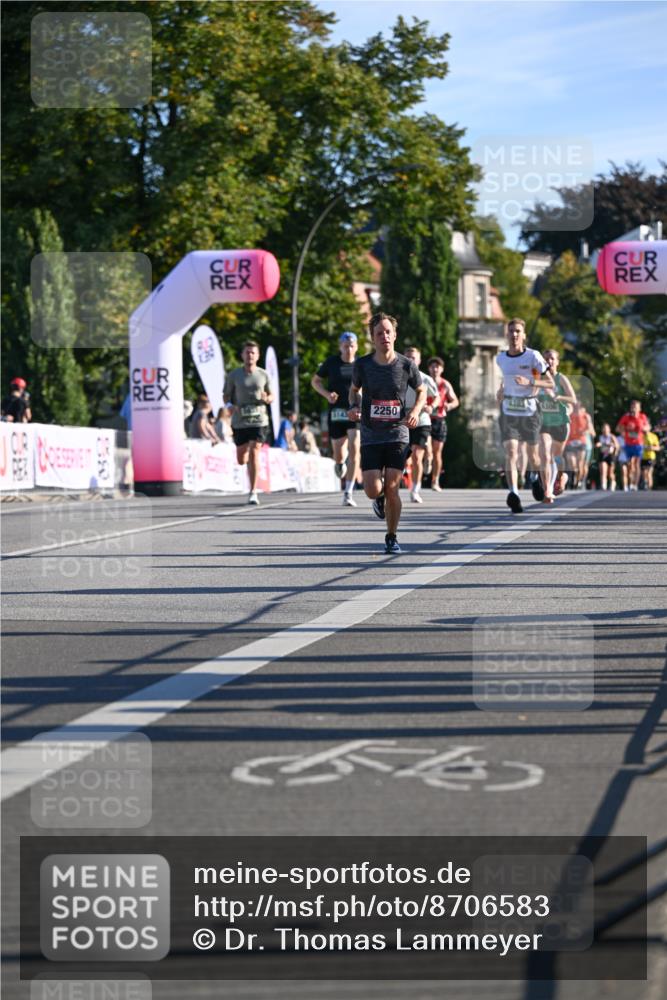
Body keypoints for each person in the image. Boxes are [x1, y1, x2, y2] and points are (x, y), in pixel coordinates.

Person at [347, 313, 425, 554]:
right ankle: (378, 499)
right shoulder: (363, 364)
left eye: (388, 332)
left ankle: (391, 536)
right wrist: (353, 406)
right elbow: (353, 391)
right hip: (371, 433)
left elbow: (422, 391)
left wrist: (415, 411)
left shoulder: (406, 365)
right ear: (372, 338)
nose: (385, 336)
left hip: (397, 433)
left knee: (393, 485)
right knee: (372, 489)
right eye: (379, 333)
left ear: (395, 335)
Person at [495, 317, 554, 513]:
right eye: (511, 331)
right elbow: (504, 381)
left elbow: (550, 383)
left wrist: (529, 383)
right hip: (508, 410)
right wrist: (501, 391)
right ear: (507, 334)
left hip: (530, 410)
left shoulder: (533, 356)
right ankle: (514, 493)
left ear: (523, 335)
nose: (514, 335)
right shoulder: (500, 358)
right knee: (511, 451)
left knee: (533, 456)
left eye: (518, 331)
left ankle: (536, 477)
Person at [312, 332, 360, 507]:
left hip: (355, 411)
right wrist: (326, 394)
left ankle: (348, 492)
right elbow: (315, 381)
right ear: (340, 347)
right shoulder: (331, 363)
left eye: (352, 346)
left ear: (357, 347)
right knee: (339, 453)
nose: (349, 349)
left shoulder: (361, 364)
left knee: (355, 448)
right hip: (337, 412)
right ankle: (340, 463)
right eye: (346, 346)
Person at [223, 340, 273, 505]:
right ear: (242, 355)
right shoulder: (233, 375)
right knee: (241, 458)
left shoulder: (264, 375)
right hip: (240, 421)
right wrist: (230, 406)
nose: (250, 355)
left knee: (254, 452)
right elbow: (226, 396)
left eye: (253, 352)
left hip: (259, 420)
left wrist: (267, 398)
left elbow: (272, 396)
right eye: (247, 352)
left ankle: (253, 491)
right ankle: (245, 465)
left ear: (257, 356)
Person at [536, 349, 576, 499]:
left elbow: (573, 399)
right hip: (543, 422)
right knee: (546, 454)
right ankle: (548, 490)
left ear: (557, 362)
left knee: (557, 457)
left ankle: (562, 477)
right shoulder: (538, 379)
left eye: (552, 359)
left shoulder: (561, 379)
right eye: (546, 359)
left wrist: (557, 397)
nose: (549, 362)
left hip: (560, 422)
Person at [403, 346, 438, 504]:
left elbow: (436, 397)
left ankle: (415, 489)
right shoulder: (397, 377)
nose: (411, 360)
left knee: (417, 456)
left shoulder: (425, 378)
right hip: (402, 420)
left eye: (414, 358)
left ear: (419, 360)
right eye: (408, 357)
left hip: (422, 420)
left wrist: (431, 407)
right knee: (401, 456)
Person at [427, 357, 459, 491]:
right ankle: (427, 459)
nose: (435, 369)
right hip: (426, 420)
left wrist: (448, 405)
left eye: (437, 367)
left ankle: (435, 481)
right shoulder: (424, 382)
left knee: (437, 453)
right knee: (427, 449)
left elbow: (456, 401)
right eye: (432, 367)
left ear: (441, 369)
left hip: (440, 420)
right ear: (429, 369)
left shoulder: (445, 385)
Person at [616, 399, 651, 491]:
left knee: (636, 464)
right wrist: (624, 431)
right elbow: (618, 428)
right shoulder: (626, 417)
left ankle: (635, 484)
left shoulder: (642, 416)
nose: (634, 408)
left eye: (635, 407)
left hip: (638, 443)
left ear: (639, 408)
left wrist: (644, 428)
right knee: (630, 465)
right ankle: (630, 482)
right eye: (632, 407)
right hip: (628, 443)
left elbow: (648, 427)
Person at [564, 403, 589, 489]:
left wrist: (584, 431)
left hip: (581, 442)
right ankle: (573, 478)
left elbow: (589, 428)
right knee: (572, 464)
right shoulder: (569, 414)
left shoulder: (586, 416)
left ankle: (579, 481)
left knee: (580, 464)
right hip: (570, 441)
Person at [597, 423, 619, 491]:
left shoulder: (612, 436)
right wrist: (599, 444)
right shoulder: (600, 437)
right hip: (603, 455)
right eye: (604, 429)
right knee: (603, 470)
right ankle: (604, 485)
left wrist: (611, 445)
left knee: (610, 473)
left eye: (606, 429)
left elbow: (617, 446)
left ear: (609, 429)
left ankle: (613, 483)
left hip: (610, 455)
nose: (605, 430)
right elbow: (597, 444)